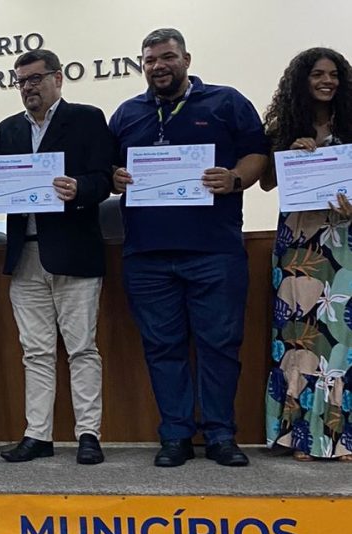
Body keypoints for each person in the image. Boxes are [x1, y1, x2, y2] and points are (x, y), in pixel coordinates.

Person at [109, 28, 268, 467]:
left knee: (220, 345)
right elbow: (108, 166)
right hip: (146, 255)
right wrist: (113, 176)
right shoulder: (127, 113)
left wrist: (234, 177)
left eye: (167, 57)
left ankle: (220, 435)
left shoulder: (225, 102)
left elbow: (258, 154)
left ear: (186, 59)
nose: (158, 66)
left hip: (213, 251)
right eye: (149, 60)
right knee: (162, 348)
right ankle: (176, 435)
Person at [0, 49, 114, 464]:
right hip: (25, 254)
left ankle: (88, 434)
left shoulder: (86, 118)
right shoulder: (8, 129)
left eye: (35, 79)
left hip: (74, 250)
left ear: (58, 78)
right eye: (21, 81)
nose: (28, 88)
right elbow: (1, 187)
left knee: (82, 348)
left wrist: (80, 188)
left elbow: (104, 179)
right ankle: (37, 435)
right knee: (34, 352)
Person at [261, 48, 352, 461]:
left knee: (339, 338)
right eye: (317, 74)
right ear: (302, 80)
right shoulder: (284, 127)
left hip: (343, 241)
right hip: (297, 244)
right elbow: (265, 183)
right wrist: (287, 155)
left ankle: (338, 437)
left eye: (333, 74)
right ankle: (300, 436)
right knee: (301, 336)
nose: (326, 81)